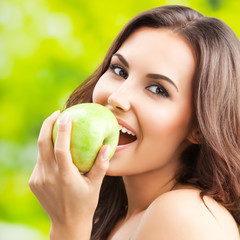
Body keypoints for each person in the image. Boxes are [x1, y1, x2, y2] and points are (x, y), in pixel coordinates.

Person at [29, 5, 240, 240]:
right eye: (119, 70)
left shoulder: (187, 217)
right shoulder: (119, 216)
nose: (117, 97)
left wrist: (68, 227)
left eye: (158, 89)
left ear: (199, 128)